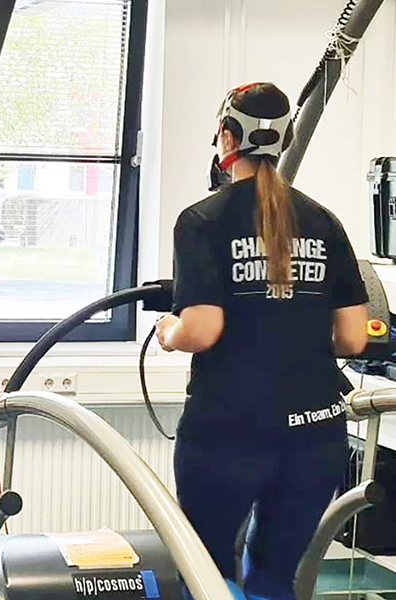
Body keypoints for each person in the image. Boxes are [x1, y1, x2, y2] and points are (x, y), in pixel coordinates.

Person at [155, 82, 369, 600]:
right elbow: (355, 338)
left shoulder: (203, 219)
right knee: (276, 578)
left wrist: (167, 332)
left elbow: (202, 330)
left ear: (226, 138)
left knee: (204, 571)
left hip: (229, 433)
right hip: (315, 437)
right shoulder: (324, 221)